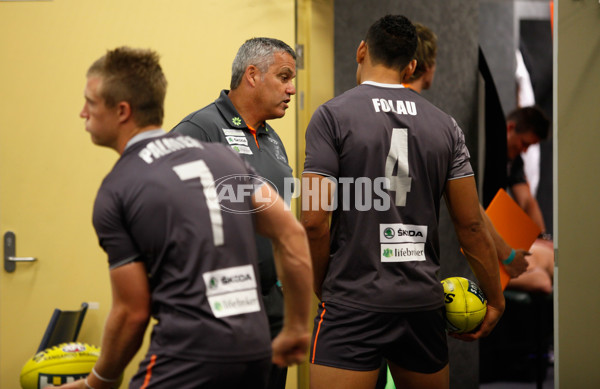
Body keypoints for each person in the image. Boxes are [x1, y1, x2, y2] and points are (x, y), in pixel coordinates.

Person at [59, 46, 312, 389]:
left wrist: (97, 382)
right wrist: (299, 326)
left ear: (121, 111)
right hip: (252, 344)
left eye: (90, 102)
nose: (82, 113)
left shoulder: (118, 186)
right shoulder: (221, 156)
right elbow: (291, 233)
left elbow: (132, 312)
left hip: (189, 350)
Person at [301, 15, 504, 389]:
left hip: (351, 302)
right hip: (421, 305)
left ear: (361, 51)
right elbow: (472, 224)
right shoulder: (446, 126)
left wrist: (322, 285)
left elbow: (313, 219)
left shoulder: (331, 116)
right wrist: (495, 298)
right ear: (412, 66)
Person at [171, 37, 297, 389]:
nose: (292, 89)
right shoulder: (200, 129)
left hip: (273, 304)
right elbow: (164, 208)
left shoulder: (272, 139)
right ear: (252, 75)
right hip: (221, 306)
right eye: (284, 77)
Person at [402, 23, 536, 287]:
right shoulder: (441, 129)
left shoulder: (355, 118)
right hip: (416, 275)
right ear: (426, 66)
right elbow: (471, 218)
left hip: (363, 277)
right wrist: (506, 260)